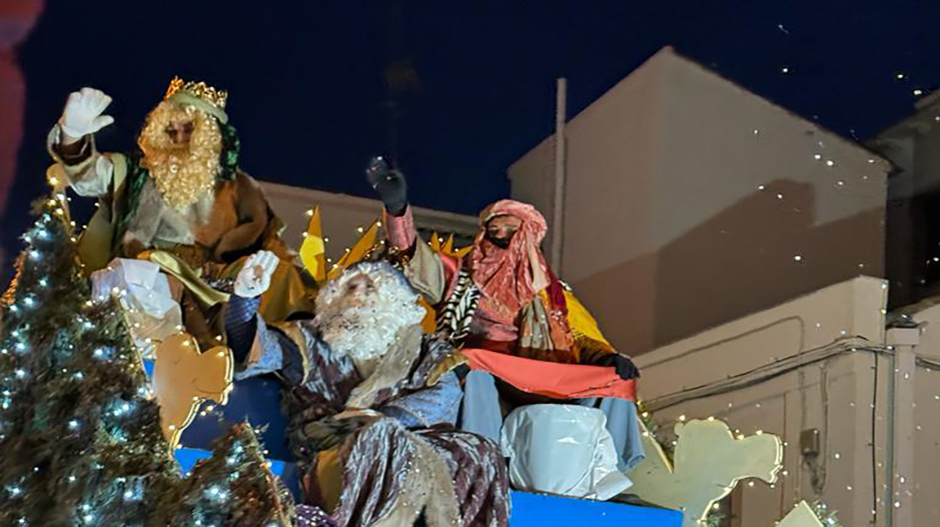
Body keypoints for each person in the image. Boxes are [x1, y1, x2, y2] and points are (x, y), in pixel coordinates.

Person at [366, 156, 645, 472]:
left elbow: (582, 337)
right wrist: (397, 209)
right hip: (493, 375)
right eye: (493, 230)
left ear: (526, 237)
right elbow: (414, 258)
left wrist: (608, 358)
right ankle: (480, 461)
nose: (500, 238)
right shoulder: (461, 278)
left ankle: (610, 471)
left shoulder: (553, 293)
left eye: (510, 230)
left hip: (551, 376)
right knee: (470, 360)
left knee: (618, 380)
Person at [225, 255, 510, 527]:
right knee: (377, 438)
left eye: (370, 286)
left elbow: (444, 395)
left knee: (481, 449)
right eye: (350, 286)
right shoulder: (308, 340)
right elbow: (253, 349)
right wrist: (245, 300)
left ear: (394, 300)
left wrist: (382, 417)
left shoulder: (427, 350)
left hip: (416, 440)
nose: (357, 293)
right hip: (336, 445)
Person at [47, 79, 315, 348]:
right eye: (169, 129)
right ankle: (174, 361)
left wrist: (314, 288)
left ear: (206, 137)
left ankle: (288, 358)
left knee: (282, 275)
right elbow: (89, 177)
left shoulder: (238, 188)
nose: (177, 138)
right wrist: (72, 136)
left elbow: (270, 241)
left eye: (188, 130)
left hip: (216, 280)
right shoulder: (134, 173)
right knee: (152, 280)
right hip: (151, 272)